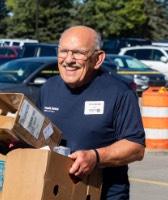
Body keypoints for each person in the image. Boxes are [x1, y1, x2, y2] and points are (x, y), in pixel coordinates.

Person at [38, 25, 145, 200]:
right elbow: (38, 135)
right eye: (63, 51)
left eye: (78, 53)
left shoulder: (119, 92)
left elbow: (136, 148)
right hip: (55, 192)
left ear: (98, 59)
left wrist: (95, 157)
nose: (68, 59)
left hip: (103, 194)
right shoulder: (48, 88)